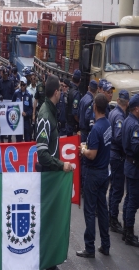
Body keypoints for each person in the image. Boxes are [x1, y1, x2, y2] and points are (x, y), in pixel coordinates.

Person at [36, 74, 73, 270]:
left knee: (50, 220)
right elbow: (42, 154)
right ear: (56, 92)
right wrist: (61, 165)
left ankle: (48, 262)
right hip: (47, 176)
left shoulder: (51, 112)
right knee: (47, 221)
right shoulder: (45, 115)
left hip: (51, 175)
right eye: (61, 90)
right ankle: (46, 263)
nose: (63, 93)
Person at [77, 93, 112, 258]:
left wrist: (83, 150)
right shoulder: (108, 125)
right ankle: (105, 244)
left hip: (94, 173)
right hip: (105, 171)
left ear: (95, 107)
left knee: (90, 211)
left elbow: (92, 154)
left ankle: (89, 247)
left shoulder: (97, 128)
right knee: (102, 209)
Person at [108, 90, 129, 234]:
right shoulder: (120, 117)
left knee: (114, 187)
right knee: (117, 188)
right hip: (117, 155)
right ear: (127, 102)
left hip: (112, 154)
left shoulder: (112, 112)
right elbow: (119, 136)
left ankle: (111, 216)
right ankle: (113, 218)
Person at [121, 93, 139, 247]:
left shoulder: (127, 120)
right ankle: (129, 233)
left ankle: (126, 231)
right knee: (133, 200)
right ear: (137, 109)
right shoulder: (135, 125)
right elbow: (136, 147)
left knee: (129, 198)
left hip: (129, 164)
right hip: (134, 166)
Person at [78, 80, 98, 188]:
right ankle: (84, 185)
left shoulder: (82, 98)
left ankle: (81, 183)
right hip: (86, 133)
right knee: (85, 160)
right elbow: (88, 118)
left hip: (81, 131)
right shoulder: (90, 101)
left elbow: (77, 113)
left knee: (81, 158)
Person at [12, 76, 33, 142]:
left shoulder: (29, 95)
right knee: (18, 139)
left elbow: (31, 109)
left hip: (26, 120)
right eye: (21, 84)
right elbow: (12, 104)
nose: (22, 86)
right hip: (18, 120)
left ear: (26, 85)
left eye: (23, 85)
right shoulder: (16, 93)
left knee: (27, 138)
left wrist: (26, 114)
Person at [66, 69, 81, 136]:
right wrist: (80, 122)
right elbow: (74, 112)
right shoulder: (76, 94)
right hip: (72, 126)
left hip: (67, 123)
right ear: (80, 81)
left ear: (72, 78)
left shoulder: (68, 89)